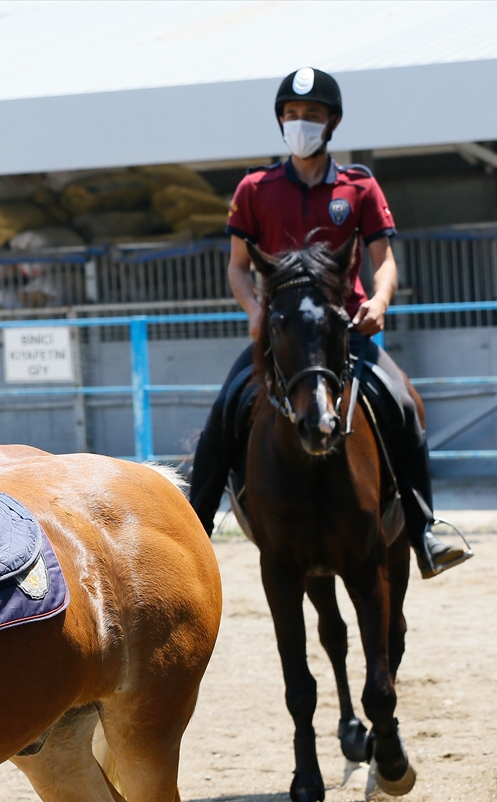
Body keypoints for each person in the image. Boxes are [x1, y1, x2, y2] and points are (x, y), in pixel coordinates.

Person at [188, 67, 472, 579]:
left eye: (312, 116)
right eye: (292, 115)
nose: (301, 124)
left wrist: (380, 300)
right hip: (281, 339)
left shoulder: (359, 186)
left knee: (403, 403)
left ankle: (424, 529)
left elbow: (384, 260)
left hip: (345, 332)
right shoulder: (254, 188)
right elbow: (236, 264)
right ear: (281, 121)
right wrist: (255, 312)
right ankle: (192, 531)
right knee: (224, 410)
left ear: (332, 123)